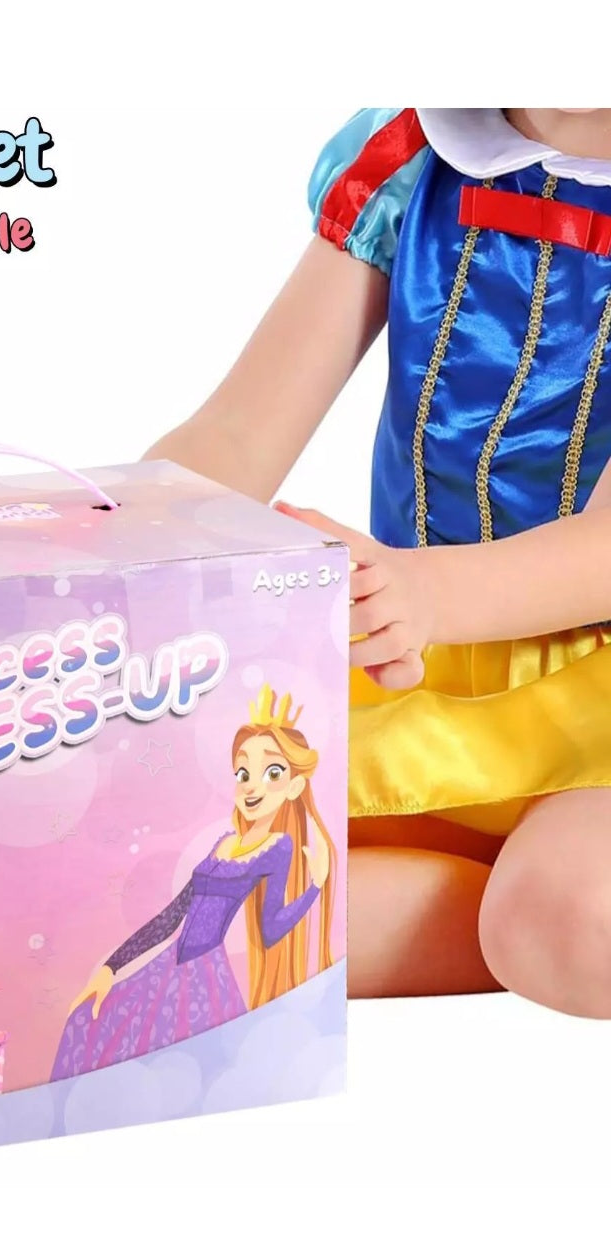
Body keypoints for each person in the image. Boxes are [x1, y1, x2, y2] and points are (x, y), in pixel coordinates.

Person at [147, 108, 611, 1017]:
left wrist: (423, 591)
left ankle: (526, 914)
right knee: (169, 881)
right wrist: (87, 551)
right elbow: (234, 438)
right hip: (416, 670)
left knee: (570, 912)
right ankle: (502, 908)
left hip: (590, 706)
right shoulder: (410, 159)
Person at [51, 685, 334, 1079]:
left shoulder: (278, 847)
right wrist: (110, 969)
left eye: (272, 773)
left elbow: (270, 930)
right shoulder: (224, 843)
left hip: (204, 979)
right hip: (167, 967)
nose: (252, 785)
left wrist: (315, 886)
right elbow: (171, 916)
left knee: (185, 1064)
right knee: (88, 1021)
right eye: (243, 772)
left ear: (294, 786)